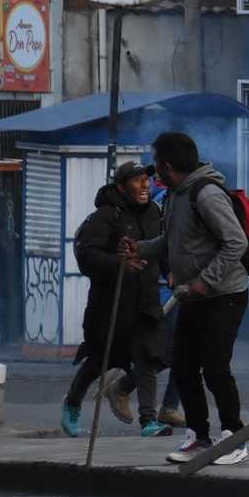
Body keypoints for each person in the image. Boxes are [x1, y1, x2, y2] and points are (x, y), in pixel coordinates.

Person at [118, 132, 249, 465]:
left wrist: (205, 283)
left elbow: (236, 243)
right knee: (185, 365)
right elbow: (171, 240)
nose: (153, 173)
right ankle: (198, 435)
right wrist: (142, 248)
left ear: (167, 164)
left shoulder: (205, 195)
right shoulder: (175, 196)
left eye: (156, 164)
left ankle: (235, 436)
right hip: (192, 295)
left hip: (224, 294)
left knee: (216, 366)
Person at [61, 162, 172, 438]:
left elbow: (163, 247)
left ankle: (148, 420)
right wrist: (119, 263)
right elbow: (87, 256)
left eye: (146, 179)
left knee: (148, 359)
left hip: (146, 301)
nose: (145, 184)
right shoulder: (105, 216)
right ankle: (72, 403)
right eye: (137, 180)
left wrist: (172, 272)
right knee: (99, 360)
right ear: (122, 187)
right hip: (110, 305)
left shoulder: (155, 212)